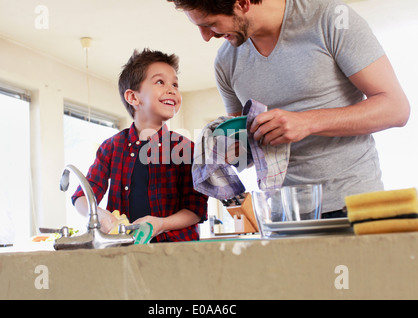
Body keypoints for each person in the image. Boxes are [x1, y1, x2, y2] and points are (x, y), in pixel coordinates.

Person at [167, 0, 410, 216]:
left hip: (353, 205)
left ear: (242, 3)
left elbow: (396, 108)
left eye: (209, 24)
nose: (205, 37)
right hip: (282, 213)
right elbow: (245, 150)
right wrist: (229, 151)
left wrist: (307, 122)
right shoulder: (225, 61)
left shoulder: (331, 19)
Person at [72, 49, 208, 242]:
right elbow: (82, 196)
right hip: (125, 252)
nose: (172, 89)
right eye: (160, 82)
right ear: (133, 98)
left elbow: (195, 209)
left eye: (175, 84)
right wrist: (100, 215)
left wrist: (160, 224)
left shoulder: (186, 148)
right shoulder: (111, 147)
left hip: (176, 253)